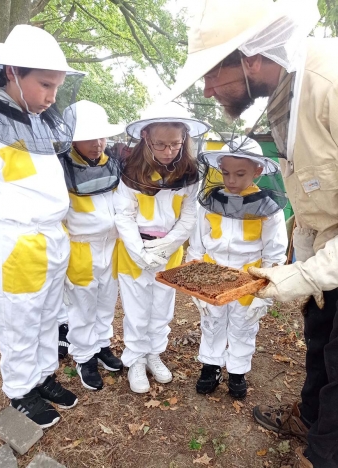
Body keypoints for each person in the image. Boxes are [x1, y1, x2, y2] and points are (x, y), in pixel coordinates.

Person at [166, 0, 338, 466]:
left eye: (212, 72)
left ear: (252, 58)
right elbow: (316, 199)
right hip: (326, 261)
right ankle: (308, 417)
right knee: (321, 351)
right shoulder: (291, 90)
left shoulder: (331, 86)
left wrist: (293, 277)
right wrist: (301, 262)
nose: (205, 88)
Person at [0, 25, 84, 428]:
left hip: (53, 236)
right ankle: (20, 390)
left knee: (48, 313)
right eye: (45, 85)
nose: (51, 97)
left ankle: (44, 376)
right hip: (17, 240)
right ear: (12, 73)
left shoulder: (40, 122)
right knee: (21, 318)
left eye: (57, 87)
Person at [114, 105, 209, 393]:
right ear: (145, 138)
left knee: (162, 308)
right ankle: (135, 359)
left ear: (185, 139)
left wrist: (168, 245)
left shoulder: (190, 173)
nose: (168, 151)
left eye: (175, 144)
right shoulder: (130, 171)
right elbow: (124, 215)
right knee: (136, 309)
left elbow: (189, 216)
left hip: (170, 252)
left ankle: (154, 353)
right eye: (161, 144)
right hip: (134, 251)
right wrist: (140, 251)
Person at [187, 136, 287, 398]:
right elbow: (197, 243)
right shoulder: (210, 200)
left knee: (244, 325)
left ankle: (238, 371)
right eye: (226, 173)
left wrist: (265, 293)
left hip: (247, 277)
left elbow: (274, 253)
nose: (231, 180)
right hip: (212, 272)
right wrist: (194, 280)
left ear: (258, 170)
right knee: (212, 321)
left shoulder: (268, 207)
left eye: (240, 174)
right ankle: (210, 366)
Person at [59, 100, 124, 390]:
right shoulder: (61, 167)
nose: (98, 143)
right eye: (89, 136)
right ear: (72, 137)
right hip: (81, 248)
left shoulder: (111, 163)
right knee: (82, 306)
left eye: (101, 136)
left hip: (111, 246)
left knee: (106, 301)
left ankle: (101, 346)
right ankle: (84, 356)